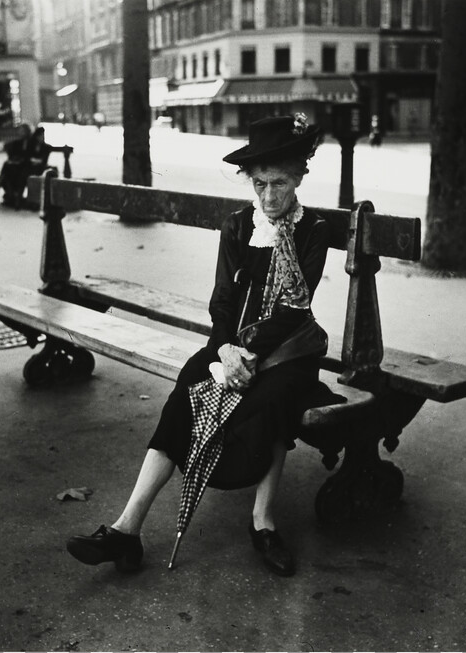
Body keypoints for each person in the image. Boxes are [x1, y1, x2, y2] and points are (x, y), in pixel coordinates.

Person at [66, 114, 335, 577]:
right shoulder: (236, 226)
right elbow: (223, 300)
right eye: (260, 184)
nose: (269, 197)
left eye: (280, 184)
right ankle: (127, 529)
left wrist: (247, 356)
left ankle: (263, 523)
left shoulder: (314, 230)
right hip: (231, 344)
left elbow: (295, 309)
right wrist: (224, 350)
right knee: (186, 390)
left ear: (299, 178)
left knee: (274, 399)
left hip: (290, 350)